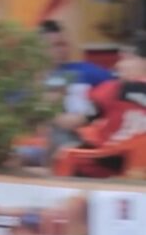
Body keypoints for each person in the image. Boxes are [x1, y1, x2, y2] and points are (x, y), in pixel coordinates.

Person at [53, 39, 146, 175]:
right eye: (120, 59)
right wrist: (47, 115)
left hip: (131, 156)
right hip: (112, 156)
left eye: (127, 59)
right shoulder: (112, 89)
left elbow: (136, 90)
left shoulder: (121, 88)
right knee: (66, 152)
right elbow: (83, 118)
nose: (119, 65)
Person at [39, 20, 114, 159]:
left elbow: (120, 92)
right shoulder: (30, 78)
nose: (61, 50)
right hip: (41, 141)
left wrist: (91, 115)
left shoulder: (86, 71)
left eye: (63, 44)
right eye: (54, 46)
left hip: (82, 136)